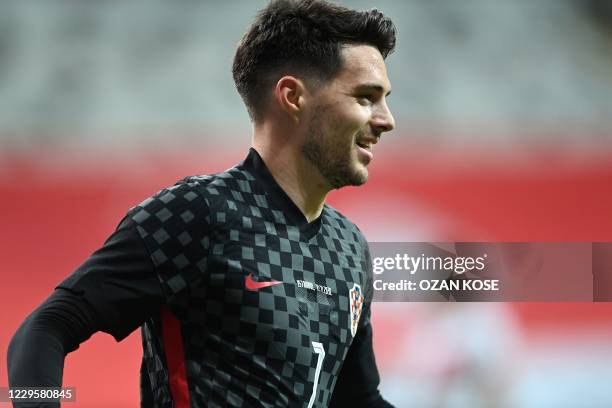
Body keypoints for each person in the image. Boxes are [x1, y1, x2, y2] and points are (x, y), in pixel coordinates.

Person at [7, 0, 396, 406]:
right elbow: (44, 329)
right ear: (292, 96)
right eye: (366, 97)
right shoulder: (199, 213)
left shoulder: (350, 248)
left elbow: (358, 398)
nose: (387, 119)